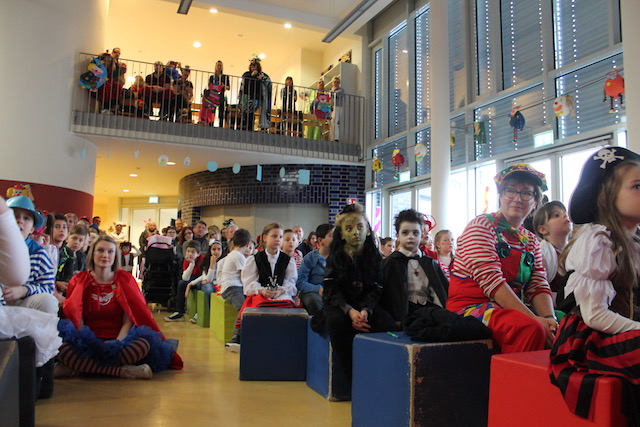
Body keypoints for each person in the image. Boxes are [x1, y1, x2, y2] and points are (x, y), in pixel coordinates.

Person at [548, 147, 640, 424]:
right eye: (637, 186)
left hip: (621, 329)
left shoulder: (634, 240)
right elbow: (595, 315)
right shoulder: (598, 241)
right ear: (605, 197)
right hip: (589, 340)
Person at [446, 164, 557, 354]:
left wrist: (549, 319)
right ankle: (515, 374)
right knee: (528, 329)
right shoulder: (481, 226)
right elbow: (492, 281)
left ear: (535, 202)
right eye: (510, 190)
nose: (517, 198)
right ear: (500, 195)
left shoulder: (530, 240)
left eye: (527, 193)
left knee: (566, 325)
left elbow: (538, 284)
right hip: (468, 309)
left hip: (508, 309)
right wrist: (534, 319)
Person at [56, 235, 183, 379]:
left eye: (110, 251)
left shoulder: (125, 279)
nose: (105, 255)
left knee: (142, 346)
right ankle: (121, 371)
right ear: (92, 254)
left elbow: (128, 321)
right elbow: (76, 317)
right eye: (100, 250)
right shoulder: (80, 280)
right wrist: (85, 343)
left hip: (118, 339)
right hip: (87, 340)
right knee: (60, 347)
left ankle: (79, 369)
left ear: (115, 256)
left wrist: (115, 344)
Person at [312, 204, 388, 391]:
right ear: (342, 234)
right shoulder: (335, 257)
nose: (356, 232)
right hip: (339, 305)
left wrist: (365, 310)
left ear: (368, 230)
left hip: (364, 305)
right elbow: (331, 289)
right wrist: (350, 311)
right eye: (349, 228)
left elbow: (376, 288)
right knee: (335, 322)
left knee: (386, 323)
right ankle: (352, 379)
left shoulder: (374, 257)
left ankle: (380, 375)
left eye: (360, 227)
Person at [228, 223, 298, 352]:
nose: (278, 240)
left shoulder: (288, 260)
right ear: (265, 238)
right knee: (257, 305)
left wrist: (282, 290)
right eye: (274, 236)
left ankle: (284, 340)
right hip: (261, 293)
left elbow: (291, 281)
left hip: (281, 293)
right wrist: (261, 290)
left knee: (287, 305)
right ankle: (241, 337)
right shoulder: (255, 259)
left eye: (280, 237)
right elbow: (249, 281)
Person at [380, 209, 449, 330]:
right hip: (404, 315)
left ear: (422, 236)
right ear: (398, 236)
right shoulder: (390, 263)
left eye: (415, 233)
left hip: (429, 311)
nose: (410, 237)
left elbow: (439, 293)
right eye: (405, 233)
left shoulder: (430, 263)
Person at [1, 196, 57, 315]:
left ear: (32, 229)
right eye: (14, 216)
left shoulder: (39, 253)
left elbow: (48, 288)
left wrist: (24, 290)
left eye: (26, 218)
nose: (20, 221)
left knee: (48, 301)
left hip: (24, 305)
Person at [219, 229, 254, 351]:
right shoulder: (238, 256)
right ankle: (235, 338)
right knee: (244, 308)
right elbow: (245, 276)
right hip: (232, 288)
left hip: (233, 287)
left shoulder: (233, 254)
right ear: (248, 244)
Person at [532, 201, 572, 296]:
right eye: (557, 215)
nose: (565, 216)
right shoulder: (543, 254)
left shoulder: (575, 249)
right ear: (543, 229)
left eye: (565, 213)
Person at [297, 224, 334, 316]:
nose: (335, 239)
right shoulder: (309, 258)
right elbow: (300, 282)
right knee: (314, 301)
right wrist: (318, 289)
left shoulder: (338, 257)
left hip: (333, 292)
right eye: (331, 236)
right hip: (313, 292)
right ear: (320, 240)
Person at [165, 240, 205, 322]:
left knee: (199, 285)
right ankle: (179, 312)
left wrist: (191, 284)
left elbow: (204, 276)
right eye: (188, 251)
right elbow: (185, 278)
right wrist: (191, 264)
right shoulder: (186, 260)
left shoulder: (203, 259)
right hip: (191, 279)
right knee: (181, 283)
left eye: (193, 252)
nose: (189, 254)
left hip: (201, 279)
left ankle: (199, 313)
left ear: (198, 253)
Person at [184, 241, 223, 323]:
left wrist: (213, 283)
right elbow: (207, 279)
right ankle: (206, 313)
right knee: (208, 288)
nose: (216, 252)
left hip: (219, 284)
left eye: (219, 249)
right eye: (214, 249)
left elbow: (223, 278)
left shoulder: (224, 261)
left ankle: (213, 314)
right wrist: (212, 265)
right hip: (208, 283)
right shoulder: (206, 261)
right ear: (210, 250)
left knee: (210, 287)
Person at [238, 57, 271, 132]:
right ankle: (246, 128)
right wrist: (252, 75)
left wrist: (261, 78)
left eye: (255, 65)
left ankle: (254, 128)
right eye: (252, 65)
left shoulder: (262, 75)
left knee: (252, 112)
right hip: (246, 96)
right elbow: (244, 83)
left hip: (256, 97)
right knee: (246, 113)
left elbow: (268, 83)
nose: (253, 67)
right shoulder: (246, 74)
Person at [56, 225, 88, 297]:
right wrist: (57, 283)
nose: (77, 242)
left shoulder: (82, 257)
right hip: (58, 288)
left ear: (83, 243)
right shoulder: (60, 253)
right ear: (67, 238)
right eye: (74, 238)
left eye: (80, 240)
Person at [201, 60, 230, 127]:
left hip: (221, 95)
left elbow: (228, 87)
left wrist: (223, 86)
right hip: (213, 95)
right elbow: (209, 86)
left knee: (221, 111)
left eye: (220, 65)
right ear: (215, 67)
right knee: (212, 111)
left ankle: (220, 126)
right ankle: (211, 125)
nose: (219, 67)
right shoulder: (212, 77)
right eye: (218, 65)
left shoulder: (225, 77)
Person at [330, 76, 345, 142]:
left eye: (337, 82)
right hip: (332, 107)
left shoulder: (341, 90)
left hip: (338, 107)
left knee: (335, 121)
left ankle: (336, 137)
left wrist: (333, 92)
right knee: (331, 122)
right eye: (334, 82)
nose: (336, 83)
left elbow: (336, 95)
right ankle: (332, 137)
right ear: (332, 83)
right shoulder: (330, 90)